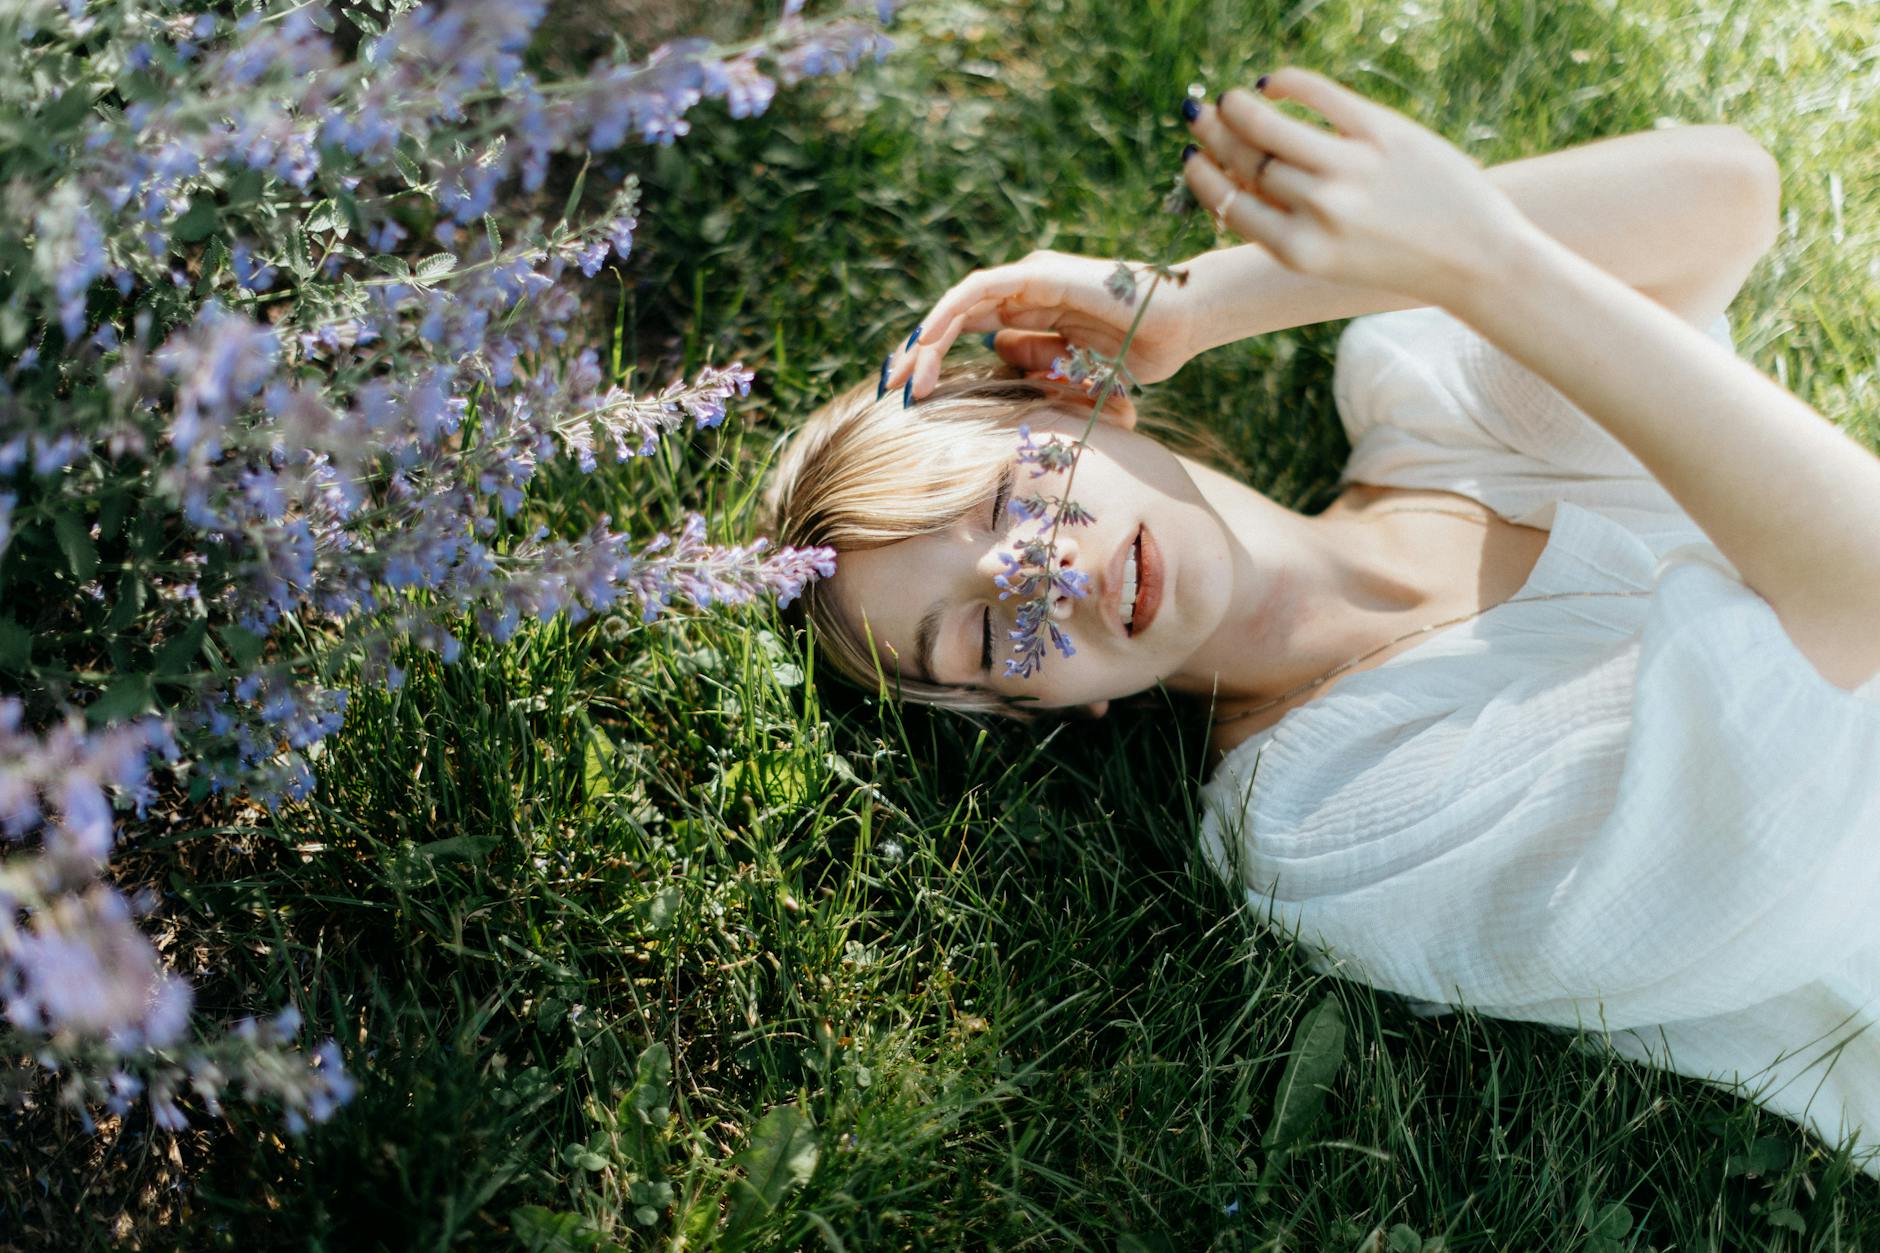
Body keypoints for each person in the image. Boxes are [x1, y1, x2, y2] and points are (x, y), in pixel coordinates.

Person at [761, 68, 1880, 1172]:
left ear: (1075, 394)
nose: (1039, 575)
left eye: (1011, 495)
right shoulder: (1319, 824)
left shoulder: (1427, 394)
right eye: (978, 634)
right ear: (1040, 703)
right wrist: (1476, 264)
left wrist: (1204, 298)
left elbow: (1720, 192)